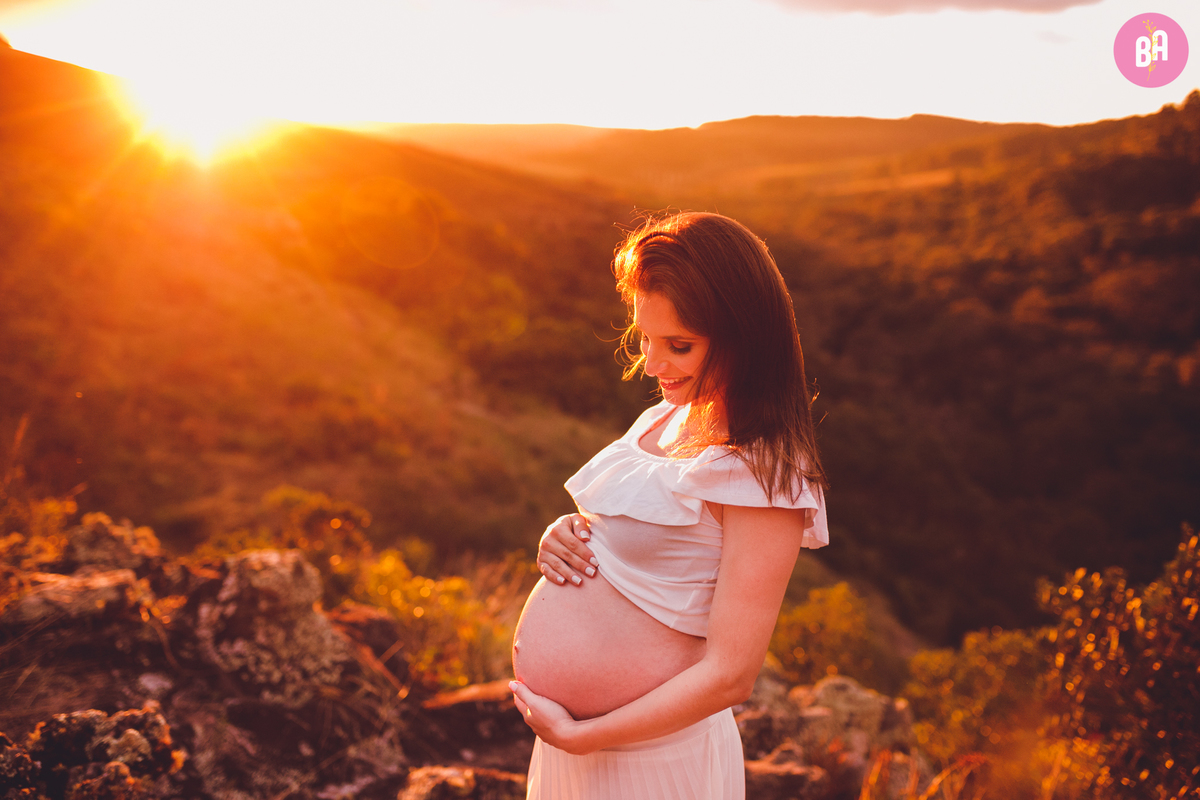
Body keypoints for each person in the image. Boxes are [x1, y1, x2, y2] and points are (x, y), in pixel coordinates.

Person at [508, 211, 829, 799]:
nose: (653, 365)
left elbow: (731, 675)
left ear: (744, 337)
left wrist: (589, 736)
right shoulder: (661, 418)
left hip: (649, 764)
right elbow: (640, 537)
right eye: (645, 340)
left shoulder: (762, 474)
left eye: (678, 346)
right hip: (573, 747)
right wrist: (565, 534)